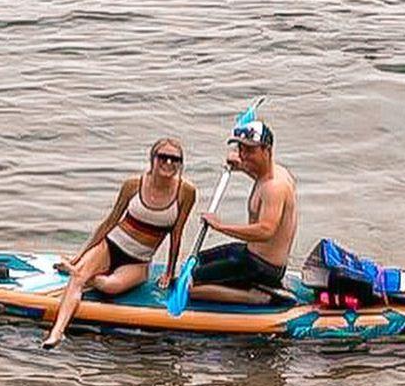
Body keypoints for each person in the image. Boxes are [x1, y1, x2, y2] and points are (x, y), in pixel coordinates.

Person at [42, 138, 196, 348]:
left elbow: (176, 233)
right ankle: (57, 332)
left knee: (109, 287)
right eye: (163, 157)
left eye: (175, 159)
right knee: (78, 279)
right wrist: (81, 255)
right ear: (152, 159)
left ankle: (78, 272)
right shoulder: (133, 185)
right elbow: (111, 221)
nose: (168, 162)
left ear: (180, 163)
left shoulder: (186, 192)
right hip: (111, 245)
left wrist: (169, 272)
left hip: (139, 261)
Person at [189, 119, 298, 305]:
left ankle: (257, 297)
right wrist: (241, 166)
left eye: (250, 150)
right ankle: (251, 288)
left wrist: (220, 226)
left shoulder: (275, 187)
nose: (243, 155)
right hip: (250, 254)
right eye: (241, 149)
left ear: (266, 150)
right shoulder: (273, 172)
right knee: (197, 260)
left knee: (191, 287)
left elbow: (266, 231)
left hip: (263, 268)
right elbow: (259, 174)